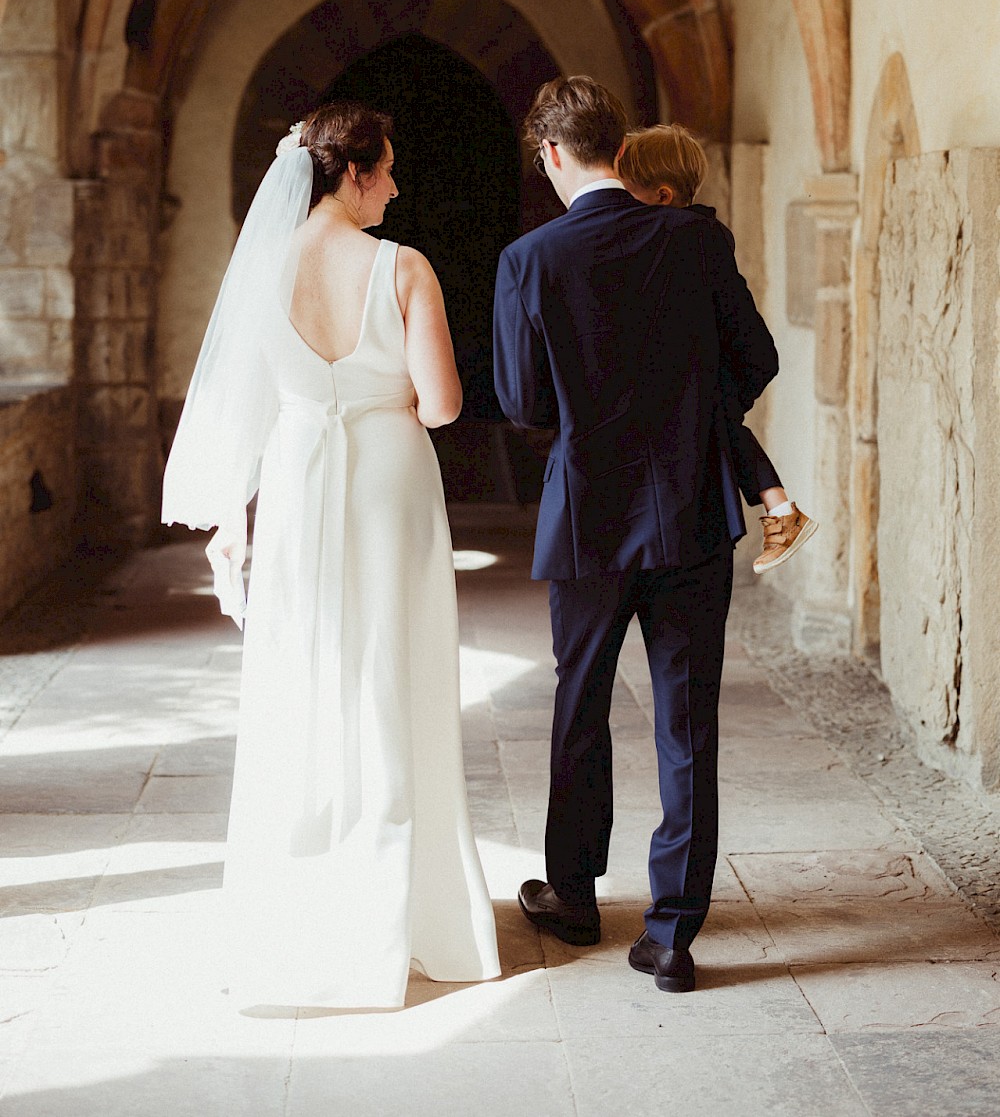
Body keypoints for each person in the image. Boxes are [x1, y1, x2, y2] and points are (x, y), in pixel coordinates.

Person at [162, 101, 499, 1010]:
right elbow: (441, 404)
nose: (394, 184)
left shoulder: (261, 267)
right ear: (351, 172)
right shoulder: (403, 267)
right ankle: (409, 917)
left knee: (306, 674)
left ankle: (299, 911)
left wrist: (242, 511)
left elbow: (243, 399)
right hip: (389, 473)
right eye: (386, 169)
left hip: (302, 472)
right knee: (397, 672)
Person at [493, 76, 778, 994]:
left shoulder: (530, 259)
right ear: (622, 148)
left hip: (586, 515)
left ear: (550, 157)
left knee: (581, 703)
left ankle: (573, 895)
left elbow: (525, 402)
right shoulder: (696, 236)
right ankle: (672, 933)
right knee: (687, 716)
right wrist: (691, 411)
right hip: (692, 507)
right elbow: (758, 356)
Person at [617, 123, 818, 574]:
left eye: (628, 192)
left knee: (715, 414)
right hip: (697, 375)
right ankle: (780, 508)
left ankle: (782, 509)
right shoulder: (696, 233)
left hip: (695, 375)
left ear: (663, 196)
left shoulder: (692, 238)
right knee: (720, 417)